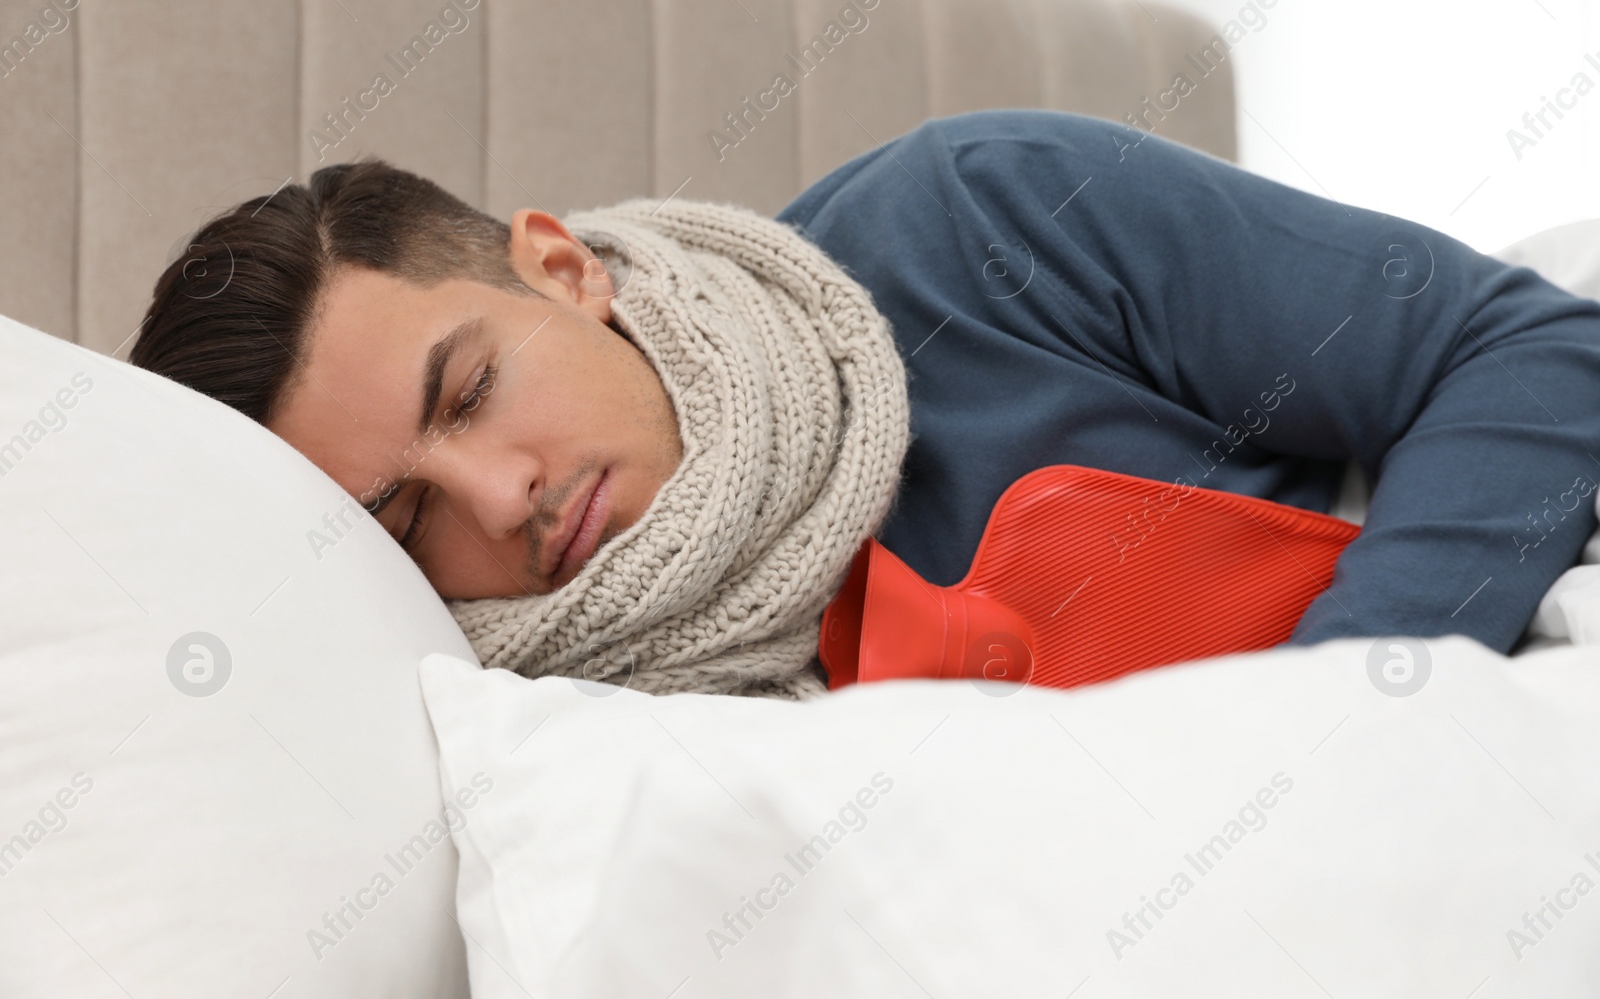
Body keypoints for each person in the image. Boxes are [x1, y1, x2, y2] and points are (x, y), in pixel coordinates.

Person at [131, 109, 1600, 696]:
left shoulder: (977, 219)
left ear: (562, 268)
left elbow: (1524, 350)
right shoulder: (538, 730)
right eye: (405, 516)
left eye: (473, 391)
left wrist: (1335, 723)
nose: (497, 499)